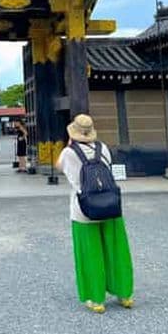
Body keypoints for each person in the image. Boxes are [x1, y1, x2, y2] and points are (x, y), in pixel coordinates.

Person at [56, 114, 134, 314]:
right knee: (117, 250)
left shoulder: (68, 152)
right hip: (110, 205)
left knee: (90, 252)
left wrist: (70, 144)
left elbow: (58, 167)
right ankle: (125, 294)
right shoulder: (103, 148)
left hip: (84, 208)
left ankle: (96, 298)